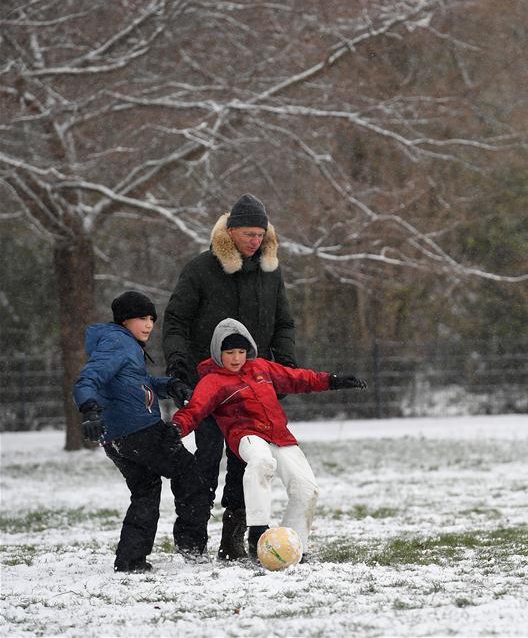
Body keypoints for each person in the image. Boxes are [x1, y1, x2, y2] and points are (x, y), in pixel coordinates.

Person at [163, 193, 298, 560]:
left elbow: (283, 322)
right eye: (248, 234)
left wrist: (283, 363)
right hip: (207, 385)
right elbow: (175, 320)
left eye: (261, 234)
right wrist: (177, 362)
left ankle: (234, 539)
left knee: (248, 463)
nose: (255, 241)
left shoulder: (271, 274)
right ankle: (191, 539)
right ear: (231, 231)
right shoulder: (201, 269)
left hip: (251, 388)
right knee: (205, 459)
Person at [172, 318, 366, 562]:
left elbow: (297, 378)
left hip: (279, 435)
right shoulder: (213, 380)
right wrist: (177, 427)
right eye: (229, 352)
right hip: (247, 435)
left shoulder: (261, 368)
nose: (236, 358)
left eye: (241, 352)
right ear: (218, 352)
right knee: (262, 463)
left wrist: (332, 380)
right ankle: (258, 531)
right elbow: (195, 409)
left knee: (307, 490)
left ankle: (291, 548)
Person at [73, 290, 209, 572]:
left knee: (146, 488)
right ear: (124, 321)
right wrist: (89, 408)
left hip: (116, 438)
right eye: (141, 318)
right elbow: (89, 377)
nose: (148, 325)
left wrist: (169, 385)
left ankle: (131, 560)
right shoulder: (117, 344)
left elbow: (138, 381)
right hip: (140, 430)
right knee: (189, 473)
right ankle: (191, 545)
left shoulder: (122, 344)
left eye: (151, 318)